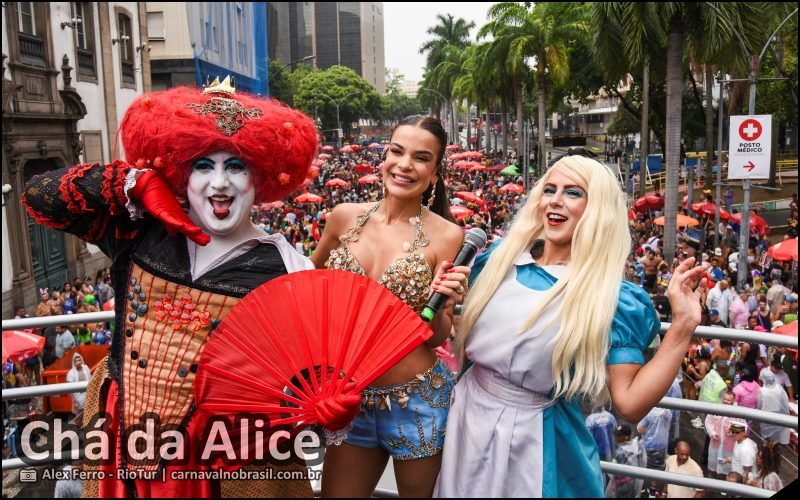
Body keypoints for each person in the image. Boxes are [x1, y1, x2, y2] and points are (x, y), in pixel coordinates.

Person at [23, 80, 319, 498]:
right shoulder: (138, 230)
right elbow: (37, 195)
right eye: (203, 165)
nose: (219, 183)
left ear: (260, 178)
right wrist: (131, 184)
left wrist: (320, 408)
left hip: (221, 459)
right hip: (120, 438)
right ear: (183, 173)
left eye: (236, 166)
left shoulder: (288, 269)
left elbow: (298, 376)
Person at [434, 153, 710, 497]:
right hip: (466, 421)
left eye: (573, 192)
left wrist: (683, 324)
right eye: (549, 189)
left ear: (598, 209)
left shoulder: (610, 298)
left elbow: (630, 403)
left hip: (538, 441)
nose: (555, 200)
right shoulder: (498, 259)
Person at [312, 116, 467, 498]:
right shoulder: (343, 217)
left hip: (418, 400)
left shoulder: (448, 235)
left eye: (420, 157)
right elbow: (308, 291)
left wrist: (444, 301)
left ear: (434, 173)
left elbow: (434, 337)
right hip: (351, 399)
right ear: (384, 156)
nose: (404, 165)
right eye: (396, 151)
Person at [704, 390, 744, 478]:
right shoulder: (716, 408)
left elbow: (744, 428)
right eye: (725, 399)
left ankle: (726, 484)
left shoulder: (739, 412)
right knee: (712, 464)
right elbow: (708, 421)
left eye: (728, 400)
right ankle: (711, 480)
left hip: (729, 449)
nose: (726, 401)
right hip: (715, 445)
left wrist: (732, 429)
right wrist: (712, 432)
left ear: (733, 400)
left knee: (727, 468)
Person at [604, 424, 647, 498]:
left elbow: (611, 473)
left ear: (626, 437)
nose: (616, 437)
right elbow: (644, 462)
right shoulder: (638, 445)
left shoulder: (620, 452)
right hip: (635, 483)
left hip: (622, 486)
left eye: (618, 436)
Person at [756, 370, 791, 445]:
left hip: (766, 417)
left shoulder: (762, 391)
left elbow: (758, 406)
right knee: (777, 438)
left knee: (768, 440)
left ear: (763, 379)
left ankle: (768, 452)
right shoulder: (779, 388)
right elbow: (785, 401)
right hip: (778, 415)